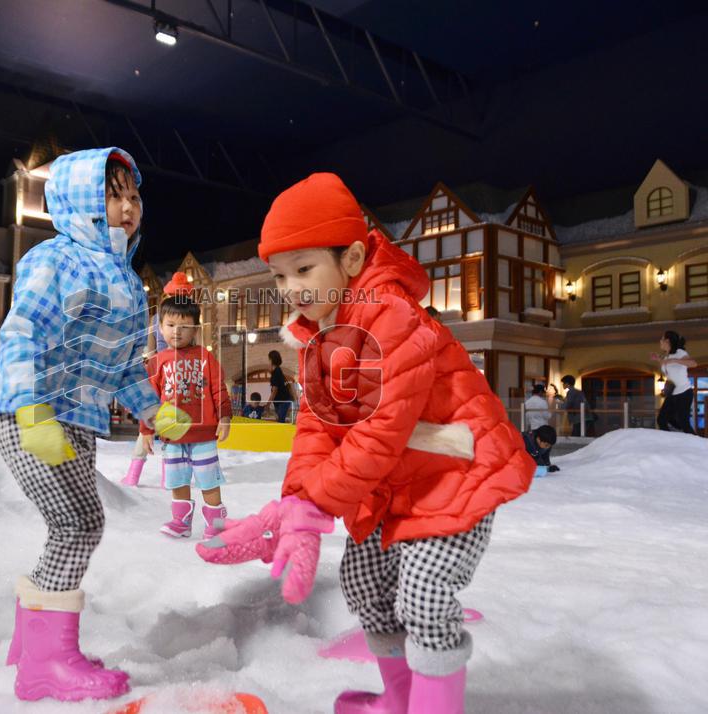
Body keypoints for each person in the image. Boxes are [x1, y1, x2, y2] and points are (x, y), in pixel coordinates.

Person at [198, 173, 533, 713]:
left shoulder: (391, 317)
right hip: (392, 487)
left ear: (352, 259)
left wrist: (314, 502)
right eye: (281, 277)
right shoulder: (321, 335)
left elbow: (380, 430)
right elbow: (314, 429)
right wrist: (294, 503)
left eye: (304, 269)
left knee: (424, 599)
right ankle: (400, 699)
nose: (292, 289)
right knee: (363, 585)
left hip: (453, 478)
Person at [0, 148, 188, 702]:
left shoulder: (123, 278)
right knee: (78, 526)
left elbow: (122, 365)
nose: (128, 207)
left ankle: (32, 640)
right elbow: (21, 330)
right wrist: (31, 409)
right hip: (32, 415)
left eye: (133, 195)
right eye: (112, 194)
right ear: (78, 201)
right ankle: (45, 663)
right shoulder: (56, 259)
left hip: (74, 422)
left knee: (75, 525)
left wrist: (153, 409)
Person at [140, 291, 232, 538]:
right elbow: (148, 400)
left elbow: (218, 388)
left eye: (184, 326)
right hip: (171, 436)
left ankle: (216, 523)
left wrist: (224, 417)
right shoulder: (157, 361)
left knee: (208, 479)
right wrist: (146, 430)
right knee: (177, 479)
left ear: (195, 329)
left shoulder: (206, 357)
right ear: (160, 327)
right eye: (170, 325)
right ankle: (181, 521)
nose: (176, 331)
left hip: (203, 435)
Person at [121, 272, 194, 488]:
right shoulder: (189, 320)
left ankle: (133, 475)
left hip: (158, 372)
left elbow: (150, 349)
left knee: (150, 422)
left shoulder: (156, 319)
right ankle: (167, 478)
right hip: (180, 373)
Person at [652, 330, 696, 434]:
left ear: (667, 341)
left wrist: (675, 360)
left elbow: (693, 363)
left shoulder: (680, 353)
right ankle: (671, 442)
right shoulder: (667, 355)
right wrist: (658, 359)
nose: (660, 341)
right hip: (672, 393)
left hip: (684, 392)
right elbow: (668, 365)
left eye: (662, 339)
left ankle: (697, 445)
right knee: (662, 420)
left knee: (684, 422)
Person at [267, 349, 294, 423]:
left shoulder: (276, 372)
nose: (268, 361)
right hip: (282, 401)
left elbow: (274, 390)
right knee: (279, 420)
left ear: (272, 360)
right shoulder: (278, 371)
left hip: (283, 401)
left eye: (269, 359)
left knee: (280, 421)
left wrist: (267, 404)